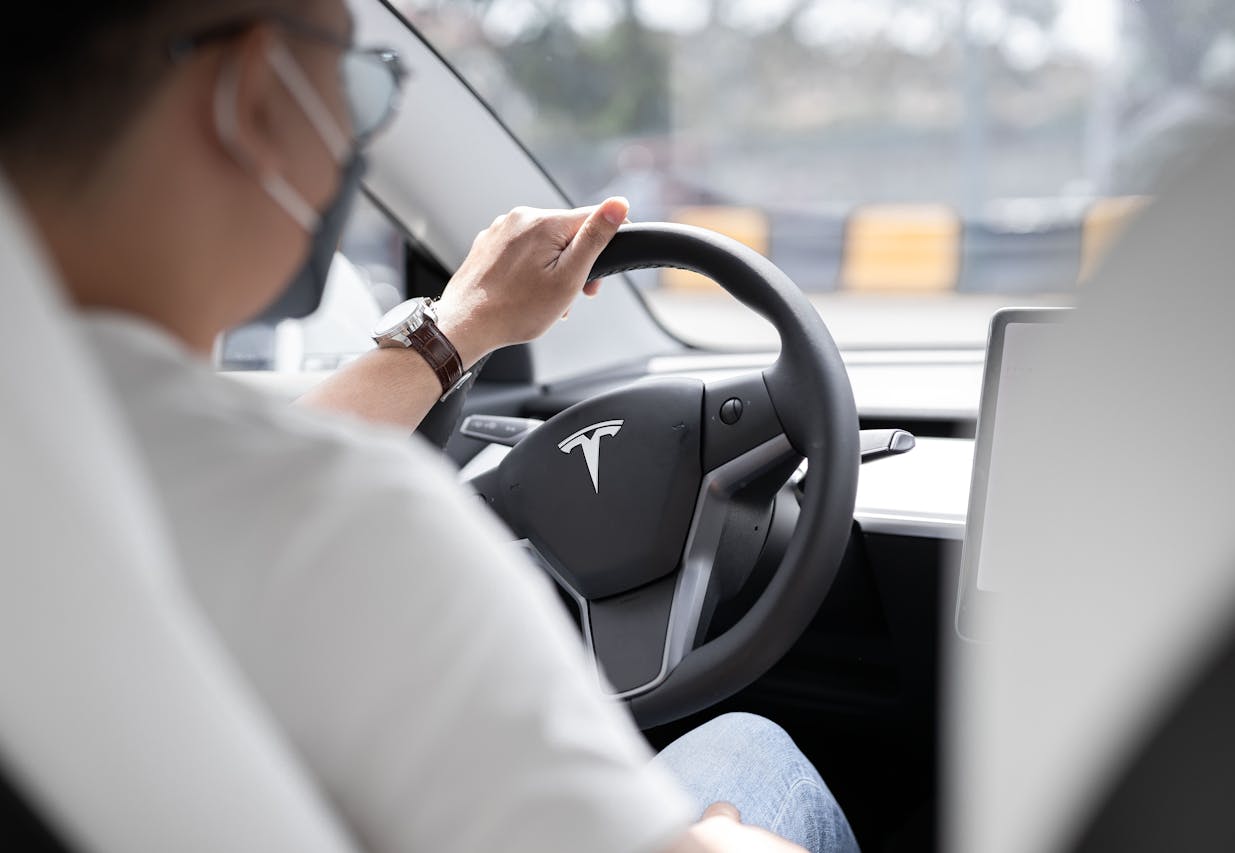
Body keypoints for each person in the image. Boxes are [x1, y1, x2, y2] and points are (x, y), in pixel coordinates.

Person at [0, 2, 858, 852]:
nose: (355, 126)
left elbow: (229, 480)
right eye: (357, 81)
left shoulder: (65, 458)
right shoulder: (353, 523)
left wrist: (460, 327)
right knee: (750, 753)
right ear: (254, 97)